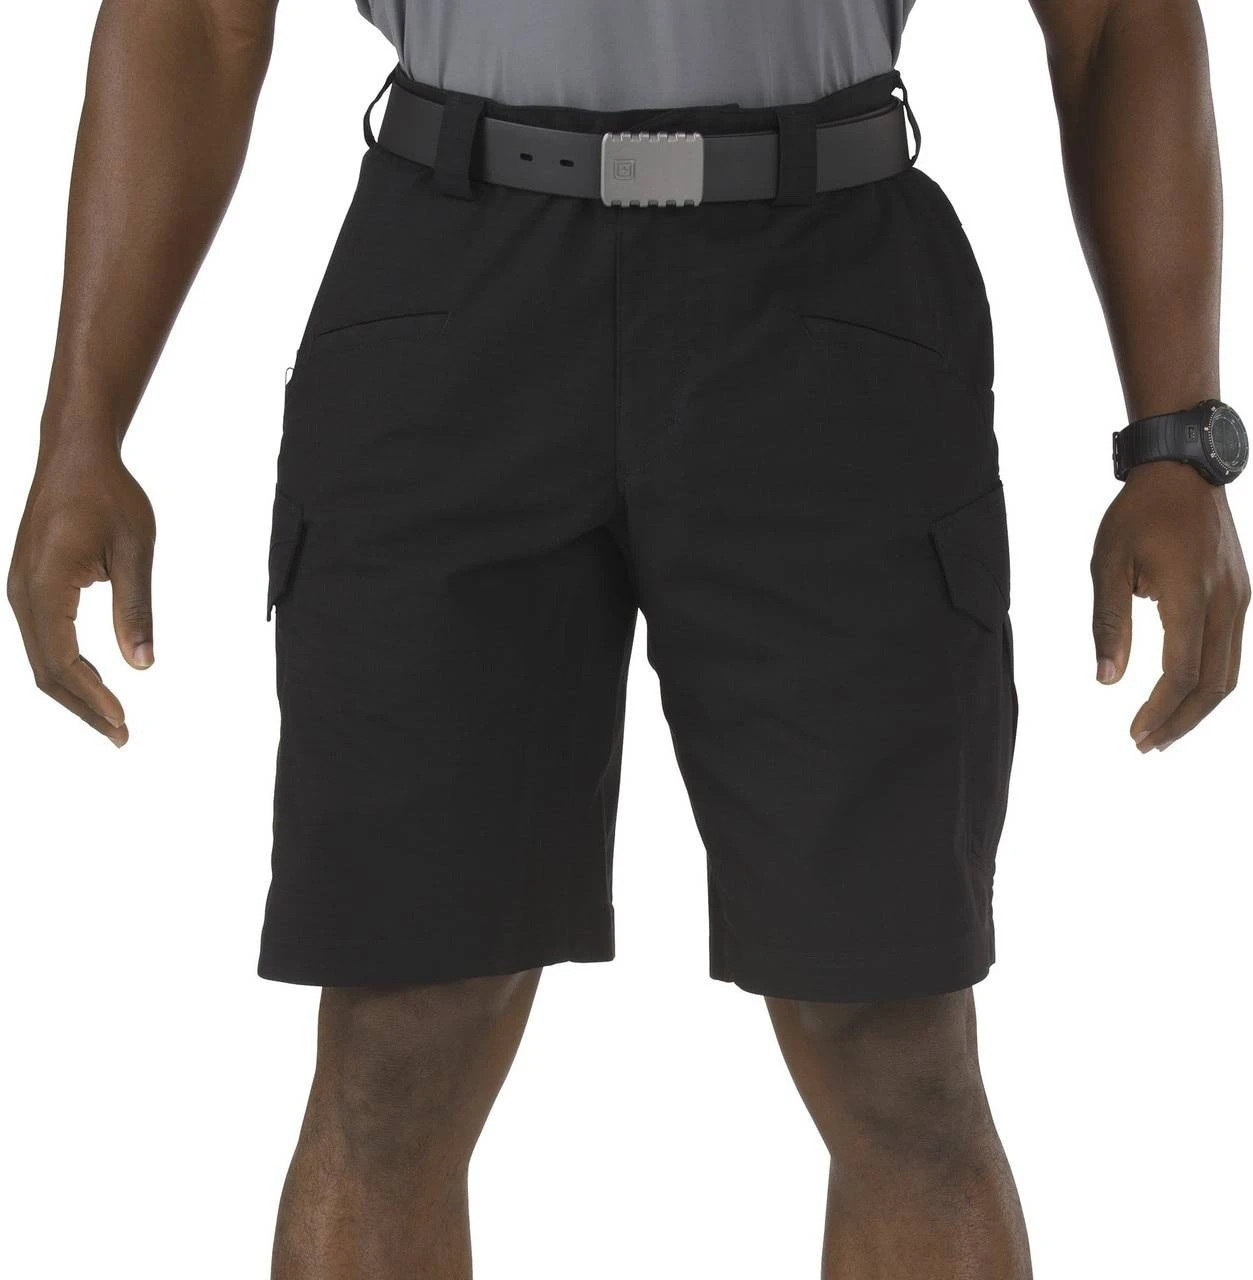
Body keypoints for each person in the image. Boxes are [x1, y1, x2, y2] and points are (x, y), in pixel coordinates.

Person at [7, 1, 1248, 1277]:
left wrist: (1177, 442)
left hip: (827, 303)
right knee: (397, 1036)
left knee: (892, 1044)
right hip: (447, 295)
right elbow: (199, 21)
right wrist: (81, 430)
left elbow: (1114, 20)